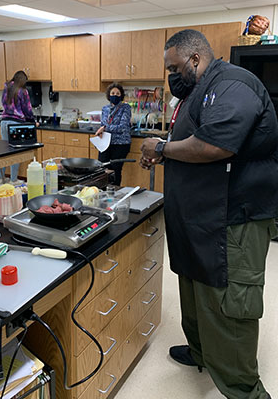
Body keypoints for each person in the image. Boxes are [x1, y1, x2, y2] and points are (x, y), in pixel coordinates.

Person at [140, 29, 278, 399]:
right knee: (195, 290)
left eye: (174, 67)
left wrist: (163, 147)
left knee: (228, 304)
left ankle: (243, 389)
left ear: (196, 59)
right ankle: (203, 352)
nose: (170, 75)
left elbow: (214, 145)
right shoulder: (197, 92)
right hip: (200, 218)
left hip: (232, 220)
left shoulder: (233, 84)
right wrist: (162, 150)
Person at [0, 70, 36, 185]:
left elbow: (3, 103)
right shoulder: (23, 91)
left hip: (4, 122)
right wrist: (32, 122)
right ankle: (13, 179)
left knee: (4, 151)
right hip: (16, 124)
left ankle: (0, 178)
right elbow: (27, 109)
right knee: (15, 152)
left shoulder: (6, 88)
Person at [95, 83, 131, 186]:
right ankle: (103, 191)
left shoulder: (126, 108)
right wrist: (101, 132)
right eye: (113, 93)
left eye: (118, 93)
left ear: (121, 95)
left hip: (120, 144)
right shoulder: (105, 108)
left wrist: (105, 128)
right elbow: (103, 124)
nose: (115, 95)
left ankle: (114, 192)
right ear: (108, 95)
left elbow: (123, 127)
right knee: (102, 168)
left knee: (115, 170)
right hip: (106, 143)